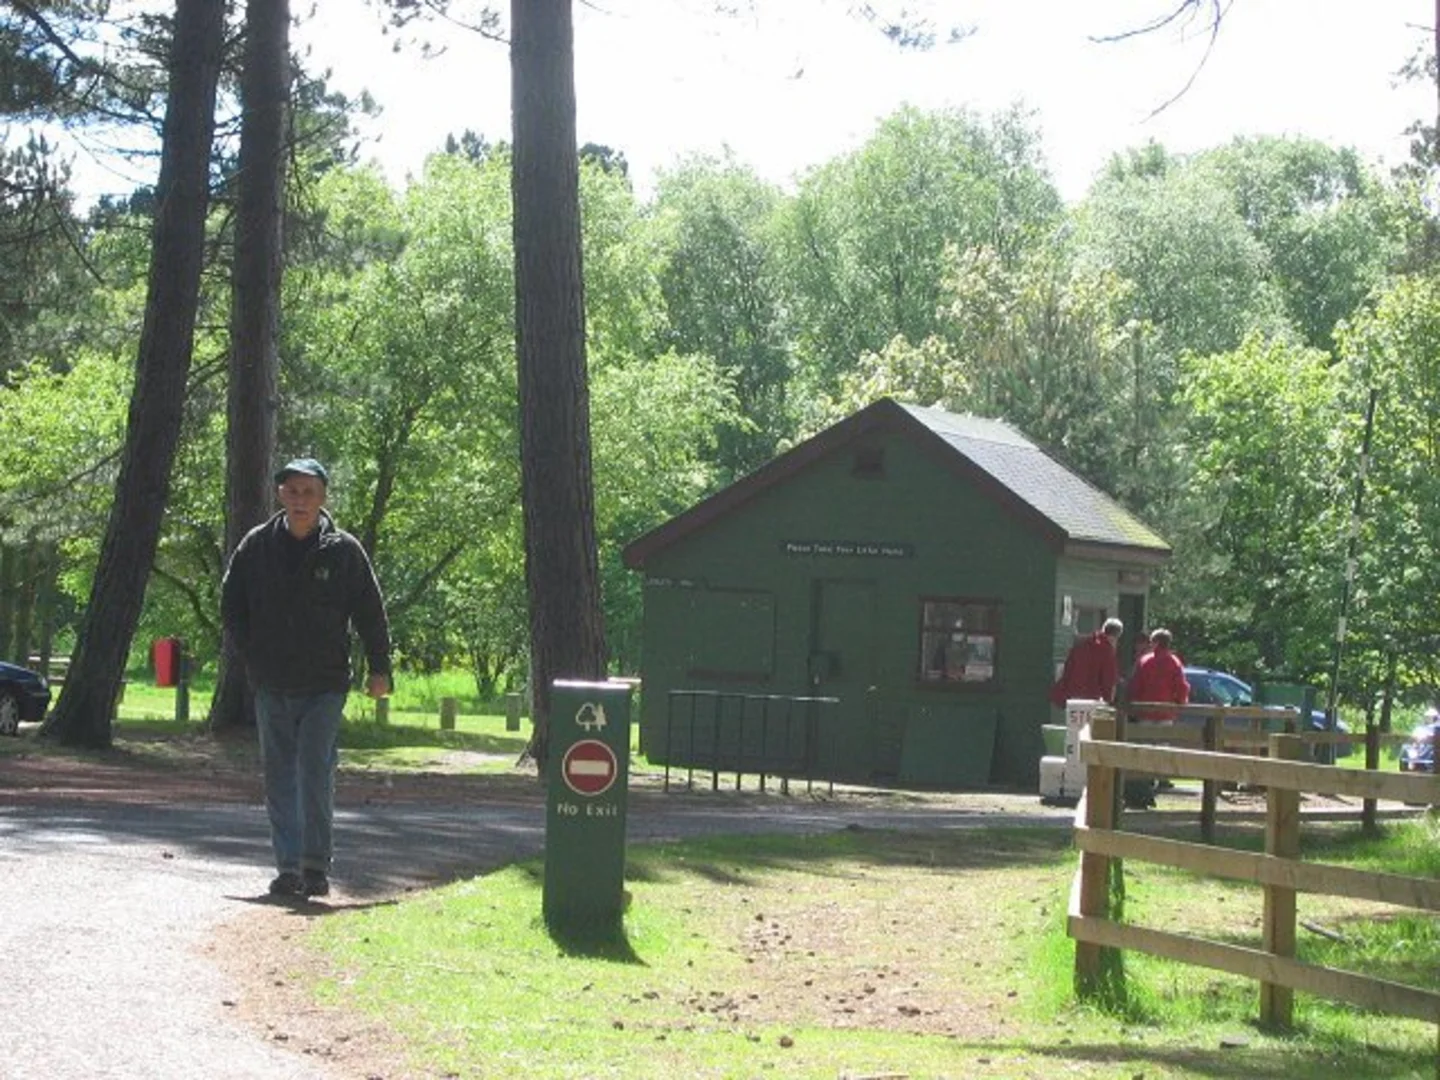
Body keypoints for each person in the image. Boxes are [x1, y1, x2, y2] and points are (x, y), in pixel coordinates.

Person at [220, 457, 392, 899]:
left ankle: (315, 866)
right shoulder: (256, 546)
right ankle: (288, 868)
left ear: (322, 498)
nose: (300, 500)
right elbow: (231, 605)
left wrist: (380, 668)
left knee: (314, 770)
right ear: (280, 494)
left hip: (325, 684)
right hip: (271, 683)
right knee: (279, 776)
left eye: (308, 492)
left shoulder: (344, 550)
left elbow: (370, 612)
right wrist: (251, 656)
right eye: (292, 491)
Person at [1122, 627, 1189, 808]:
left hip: (1145, 712)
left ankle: (1145, 783)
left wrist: (1133, 705)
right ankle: (1160, 779)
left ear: (1156, 642)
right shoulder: (1175, 662)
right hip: (1166, 713)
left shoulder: (1145, 661)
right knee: (1162, 748)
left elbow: (1135, 687)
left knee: (1144, 748)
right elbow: (1182, 687)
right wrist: (1180, 703)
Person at [1049, 617, 1124, 707]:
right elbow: (1109, 680)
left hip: (1071, 698)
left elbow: (1068, 669)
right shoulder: (1107, 650)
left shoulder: (1082, 644)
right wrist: (1108, 702)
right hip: (1092, 700)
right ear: (1117, 636)